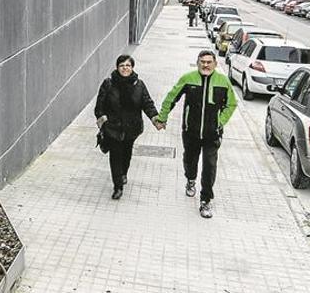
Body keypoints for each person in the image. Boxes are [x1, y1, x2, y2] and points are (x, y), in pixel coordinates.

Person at [155, 50, 237, 218]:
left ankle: (206, 200)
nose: (205, 65)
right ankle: (190, 179)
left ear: (215, 63)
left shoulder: (223, 81)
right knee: (190, 160)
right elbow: (172, 98)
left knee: (209, 165)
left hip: (212, 134)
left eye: (209, 62)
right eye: (202, 62)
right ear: (198, 63)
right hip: (190, 131)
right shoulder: (188, 78)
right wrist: (162, 117)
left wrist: (219, 122)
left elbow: (232, 104)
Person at [95, 55, 161, 200]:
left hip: (132, 128)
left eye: (128, 65)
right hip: (113, 128)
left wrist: (155, 118)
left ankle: (123, 173)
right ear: (117, 68)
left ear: (132, 68)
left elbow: (147, 104)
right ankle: (118, 186)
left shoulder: (139, 85)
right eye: (122, 65)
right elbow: (99, 106)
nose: (125, 68)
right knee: (115, 156)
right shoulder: (108, 84)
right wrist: (103, 120)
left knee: (126, 154)